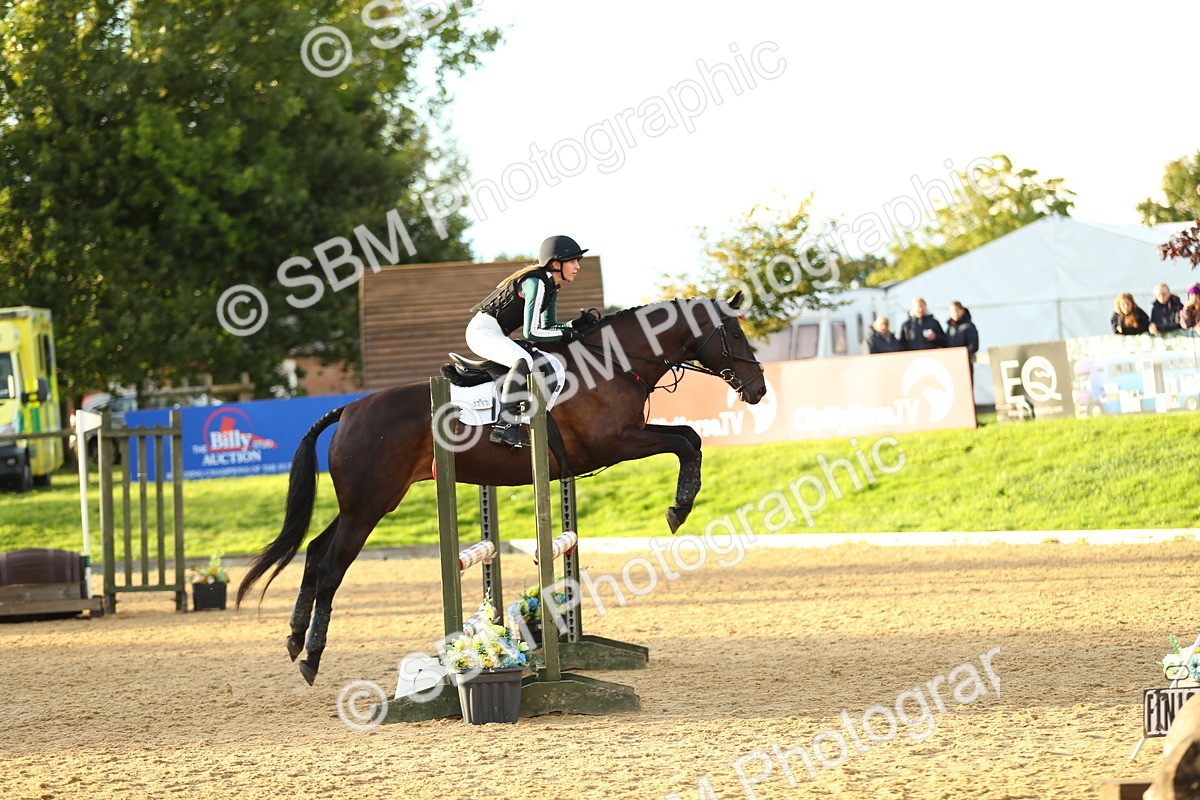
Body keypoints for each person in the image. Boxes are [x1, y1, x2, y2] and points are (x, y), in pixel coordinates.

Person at [466, 235, 590, 448]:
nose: (577, 266)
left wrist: (572, 325)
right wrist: (567, 335)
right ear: (556, 264)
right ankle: (504, 426)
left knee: (527, 358)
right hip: (482, 332)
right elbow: (532, 333)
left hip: (495, 332)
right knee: (524, 359)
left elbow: (548, 325)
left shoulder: (551, 286)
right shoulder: (537, 283)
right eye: (573, 261)